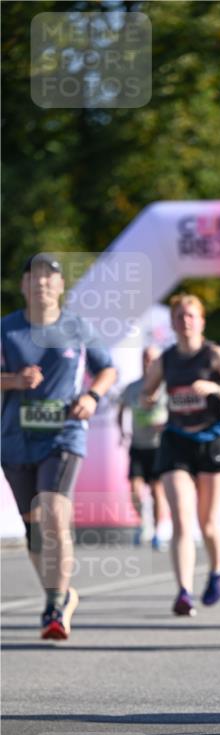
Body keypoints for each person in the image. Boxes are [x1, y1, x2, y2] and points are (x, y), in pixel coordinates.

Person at [1, 253, 116, 639]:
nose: (42, 283)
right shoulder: (7, 329)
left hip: (64, 435)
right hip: (15, 440)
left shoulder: (77, 326)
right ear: (23, 285)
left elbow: (107, 368)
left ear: (60, 285)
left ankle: (53, 606)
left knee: (51, 510)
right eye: (34, 276)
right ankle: (62, 594)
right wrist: (13, 381)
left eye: (50, 277)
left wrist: (94, 397)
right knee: (33, 530)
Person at [143, 294, 220, 616]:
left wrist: (215, 389)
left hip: (213, 441)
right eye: (179, 316)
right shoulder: (166, 359)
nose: (185, 321)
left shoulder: (215, 355)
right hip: (176, 441)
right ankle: (183, 591)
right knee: (181, 519)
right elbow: (146, 392)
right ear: (173, 323)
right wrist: (148, 399)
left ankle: (217, 567)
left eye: (191, 315)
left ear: (201, 321)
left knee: (206, 522)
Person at [117, 345, 170, 549]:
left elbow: (176, 411)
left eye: (152, 359)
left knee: (157, 490)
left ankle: (158, 531)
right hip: (138, 445)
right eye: (145, 358)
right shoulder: (132, 388)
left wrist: (165, 426)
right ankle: (143, 523)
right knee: (135, 489)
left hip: (158, 446)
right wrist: (122, 431)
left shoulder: (166, 386)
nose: (148, 363)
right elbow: (121, 409)